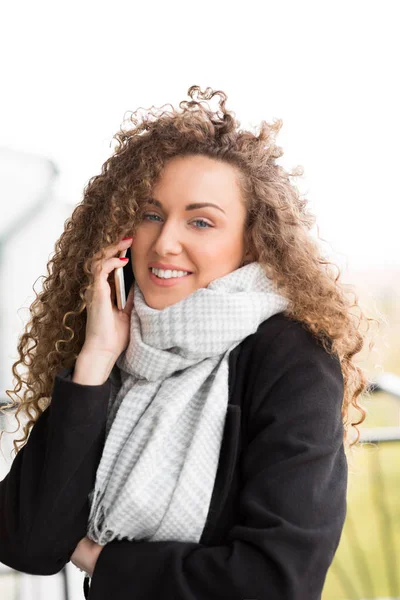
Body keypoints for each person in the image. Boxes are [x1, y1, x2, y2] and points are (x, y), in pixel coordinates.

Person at [0, 85, 376, 599]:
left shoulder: (292, 357)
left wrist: (102, 559)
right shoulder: (118, 336)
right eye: (151, 213)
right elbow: (26, 542)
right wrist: (94, 363)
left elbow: (276, 581)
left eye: (201, 221)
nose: (165, 241)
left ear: (253, 242)